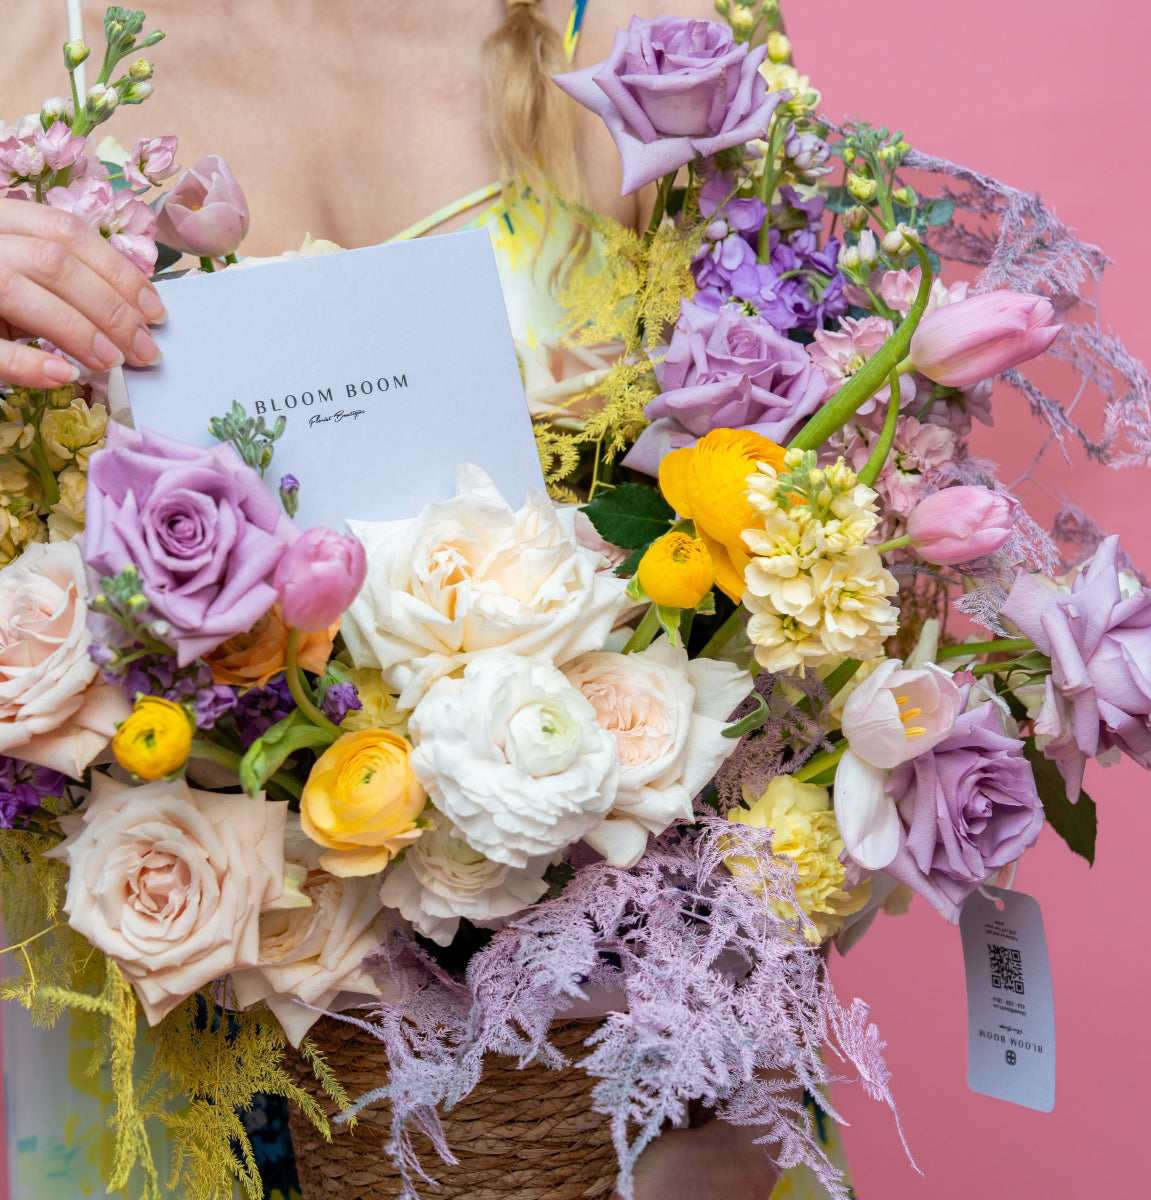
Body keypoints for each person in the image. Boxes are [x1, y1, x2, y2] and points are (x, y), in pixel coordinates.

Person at [0, 3, 838, 1197]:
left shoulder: (649, 44)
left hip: (615, 1067)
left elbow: (828, 550)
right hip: (184, 1029)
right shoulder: (39, 52)